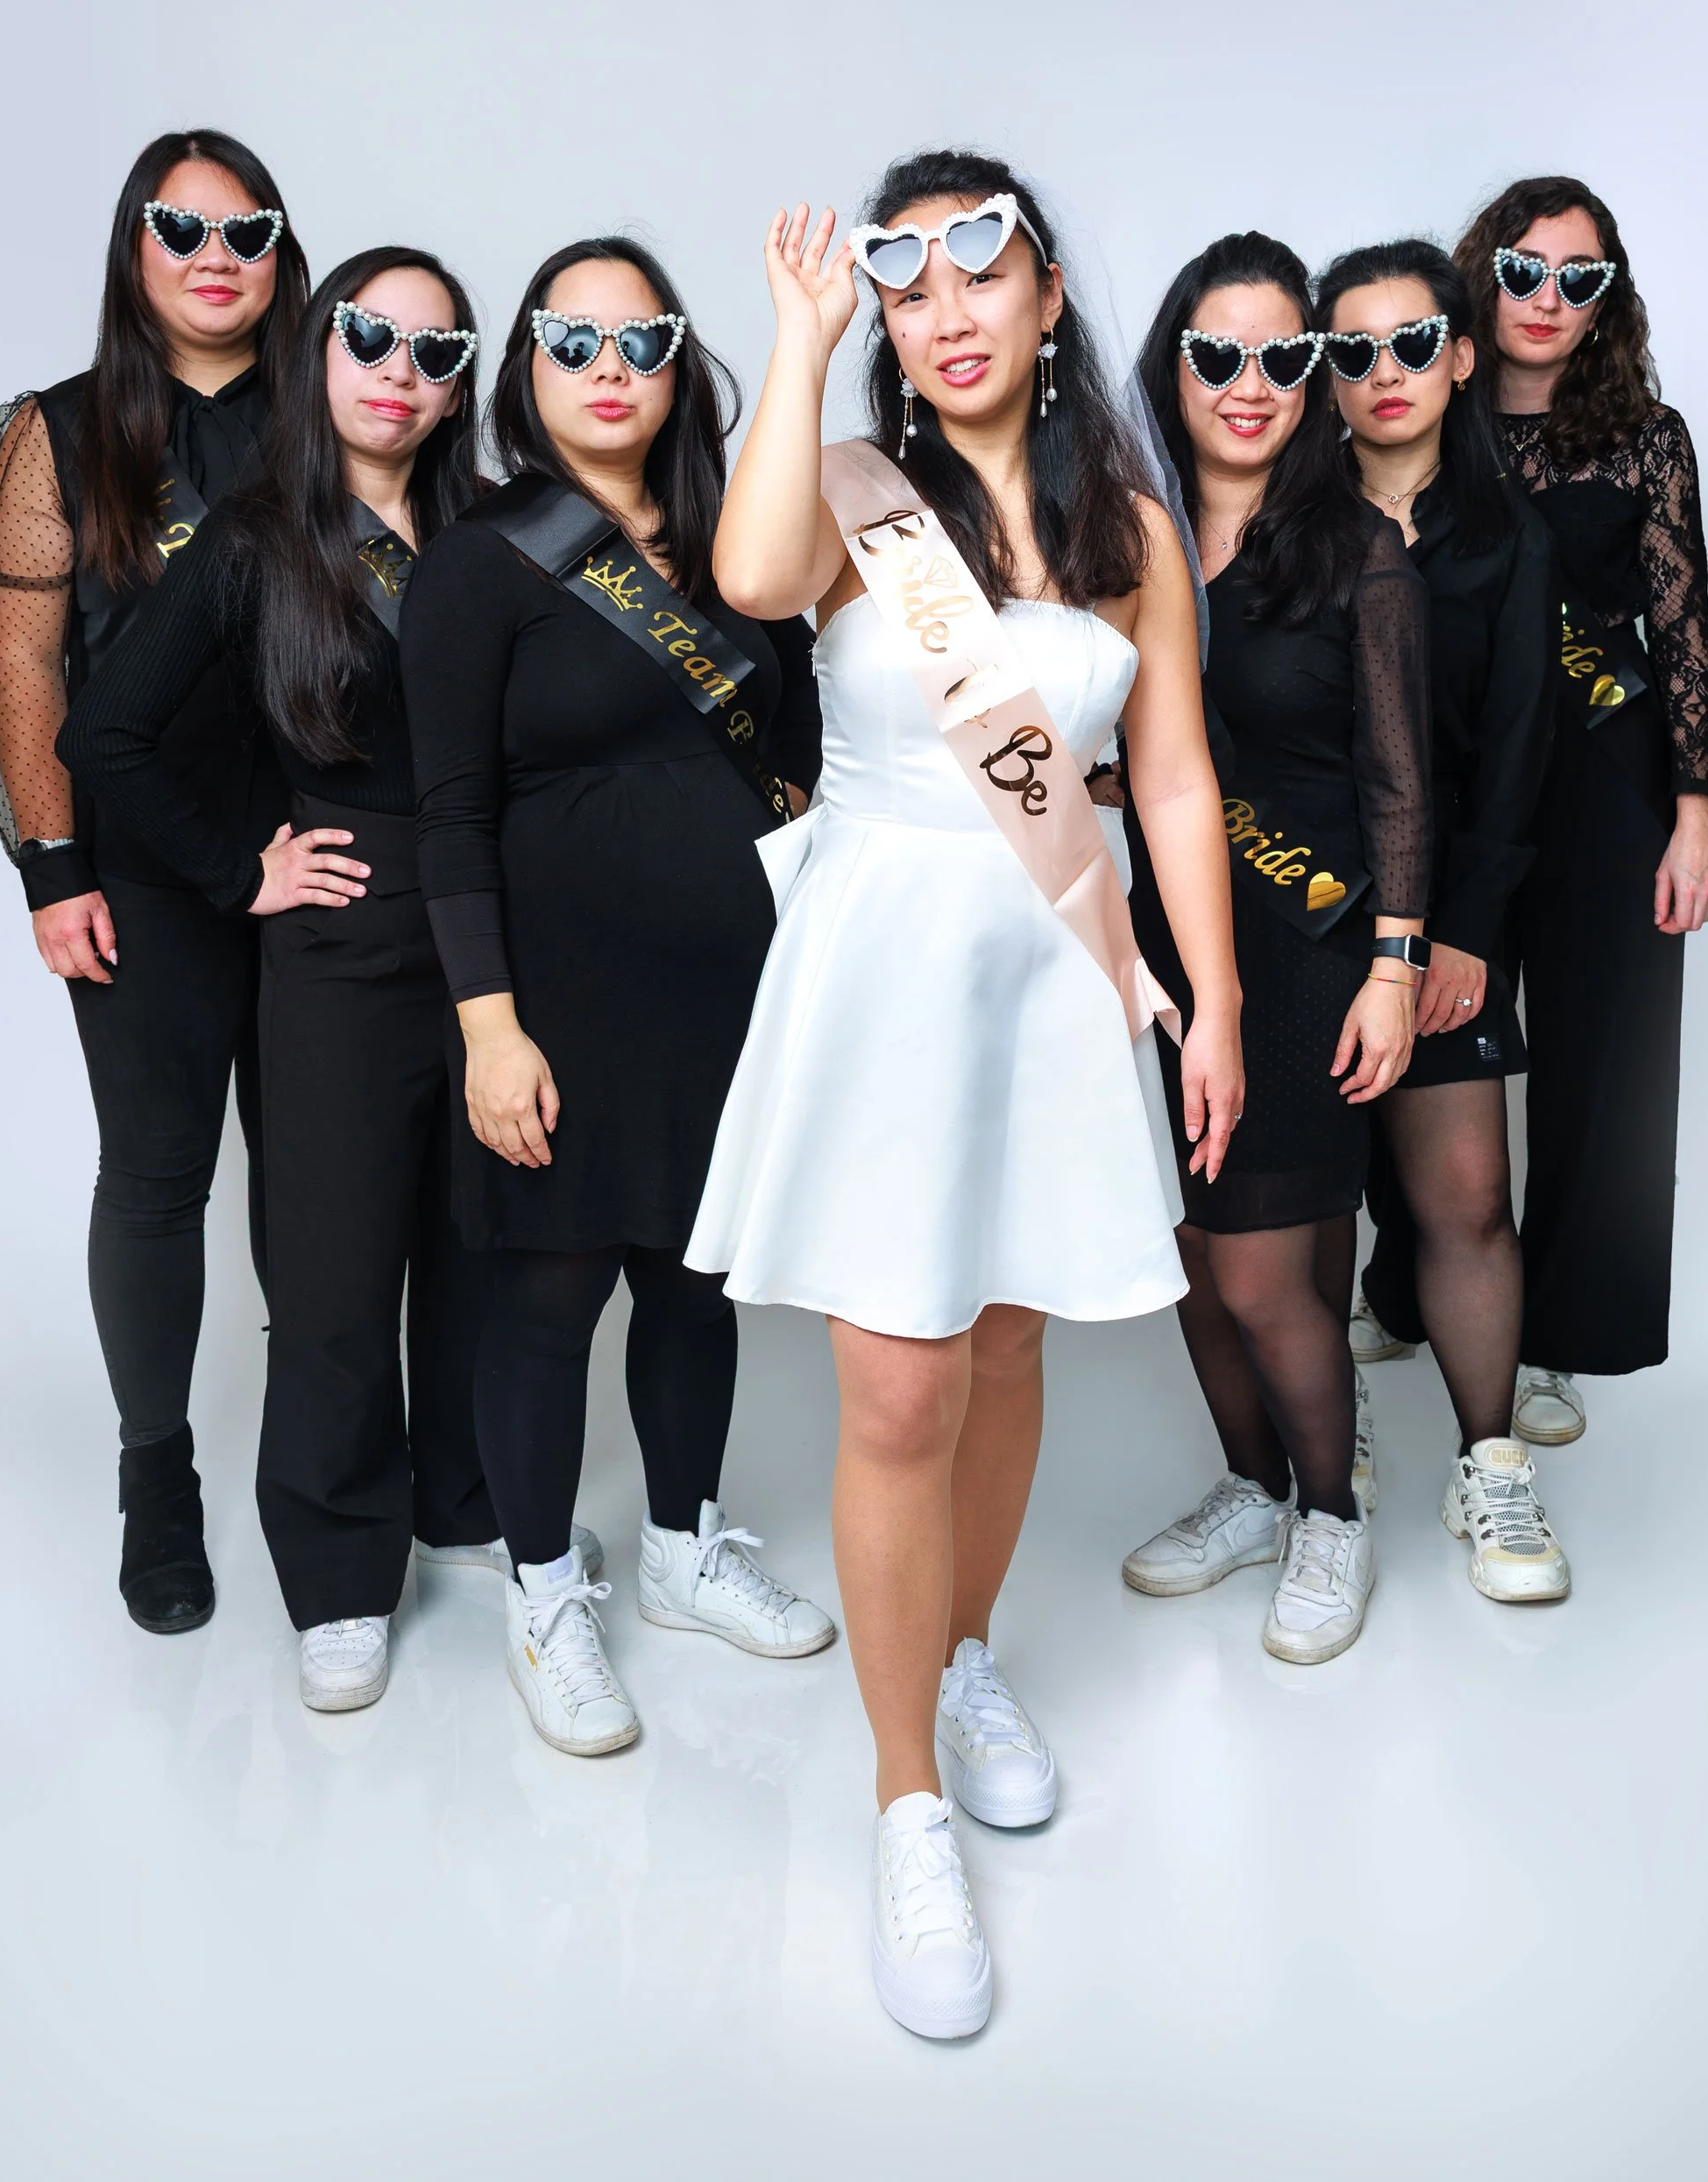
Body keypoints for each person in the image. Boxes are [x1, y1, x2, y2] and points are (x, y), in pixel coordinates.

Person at [690, 152, 1244, 2041]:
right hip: (885, 964)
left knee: (1005, 1344)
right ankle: (903, 1792)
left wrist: (1217, 999)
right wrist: (800, 335)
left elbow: (1166, 781)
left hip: (1056, 970)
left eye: (975, 269)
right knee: (898, 1374)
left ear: (1047, 290)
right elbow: (752, 578)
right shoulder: (857, 497)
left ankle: (970, 1650)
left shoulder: (1130, 524)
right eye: (905, 282)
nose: (945, 306)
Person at [402, 237, 835, 1762]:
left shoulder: (744, 545)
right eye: (570, 339)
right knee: (545, 1296)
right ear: (527, 366)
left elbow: (802, 748)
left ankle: (682, 1546)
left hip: (728, 989)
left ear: (677, 365)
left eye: (638, 339)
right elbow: (448, 813)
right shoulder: (482, 557)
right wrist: (488, 1024)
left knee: (692, 1280)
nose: (605, 367)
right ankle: (539, 1592)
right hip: (556, 1003)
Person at [59, 247, 508, 1711]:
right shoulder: (258, 540)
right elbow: (105, 734)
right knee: (329, 1265)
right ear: (320, 352)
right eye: (372, 336)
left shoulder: (497, 536)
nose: (400, 369)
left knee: (477, 1239)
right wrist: (237, 866)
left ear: (458, 394)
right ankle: (335, 1571)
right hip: (337, 939)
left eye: (436, 353)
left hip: (493, 934)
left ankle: (461, 1502)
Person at [0, 129, 308, 1636]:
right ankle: (154, 1474)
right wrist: (50, 866)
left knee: (326, 1182)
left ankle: (337, 1460)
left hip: (319, 852)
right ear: (134, 249)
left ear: (284, 254)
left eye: (248, 231)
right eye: (182, 230)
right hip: (144, 866)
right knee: (160, 1176)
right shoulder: (56, 431)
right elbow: (25, 669)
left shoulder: (340, 405)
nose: (215, 257)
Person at [1119, 235, 1431, 1655]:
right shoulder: (1124, 539)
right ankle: (1259, 1489)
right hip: (1164, 947)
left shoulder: (1360, 550)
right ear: (1171, 367)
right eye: (1217, 355)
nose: (1250, 386)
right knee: (1200, 1251)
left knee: (1264, 1269)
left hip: (1313, 945)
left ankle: (1333, 1520)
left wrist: (1394, 966)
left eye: (1283, 358)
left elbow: (1402, 782)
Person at [1315, 238, 1568, 1601]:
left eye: (1414, 343)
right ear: (1321, 374)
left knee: (1463, 1194)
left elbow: (1523, 745)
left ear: (1464, 355)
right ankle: (1317, 1448)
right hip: (1300, 915)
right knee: (1301, 1206)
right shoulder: (1280, 528)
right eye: (1351, 351)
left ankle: (1492, 1467)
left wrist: (1461, 932)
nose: (1386, 374)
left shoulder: (1508, 541)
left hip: (1451, 922)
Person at [1454, 177, 1708, 1439]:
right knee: (1434, 1052)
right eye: (1523, 269)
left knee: (1597, 1072)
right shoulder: (1421, 419)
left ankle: (1562, 1328)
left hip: (1608, 795)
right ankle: (1416, 1288)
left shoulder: (1644, 438)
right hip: (1453, 794)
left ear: (1607, 297)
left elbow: (1682, 633)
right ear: (1481, 273)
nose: (1547, 298)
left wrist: (1696, 813)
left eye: (1579, 277)